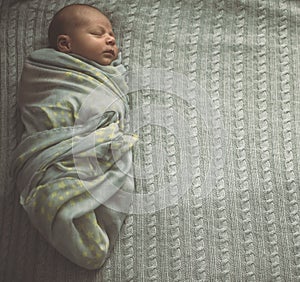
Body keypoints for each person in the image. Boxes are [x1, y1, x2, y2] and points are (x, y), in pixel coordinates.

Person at [11, 4, 137, 270]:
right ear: (65, 44)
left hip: (89, 142)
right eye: (98, 33)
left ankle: (80, 219)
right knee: (57, 188)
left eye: (112, 35)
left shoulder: (106, 75)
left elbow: (112, 100)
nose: (111, 39)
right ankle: (65, 208)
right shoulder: (45, 69)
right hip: (51, 149)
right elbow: (41, 106)